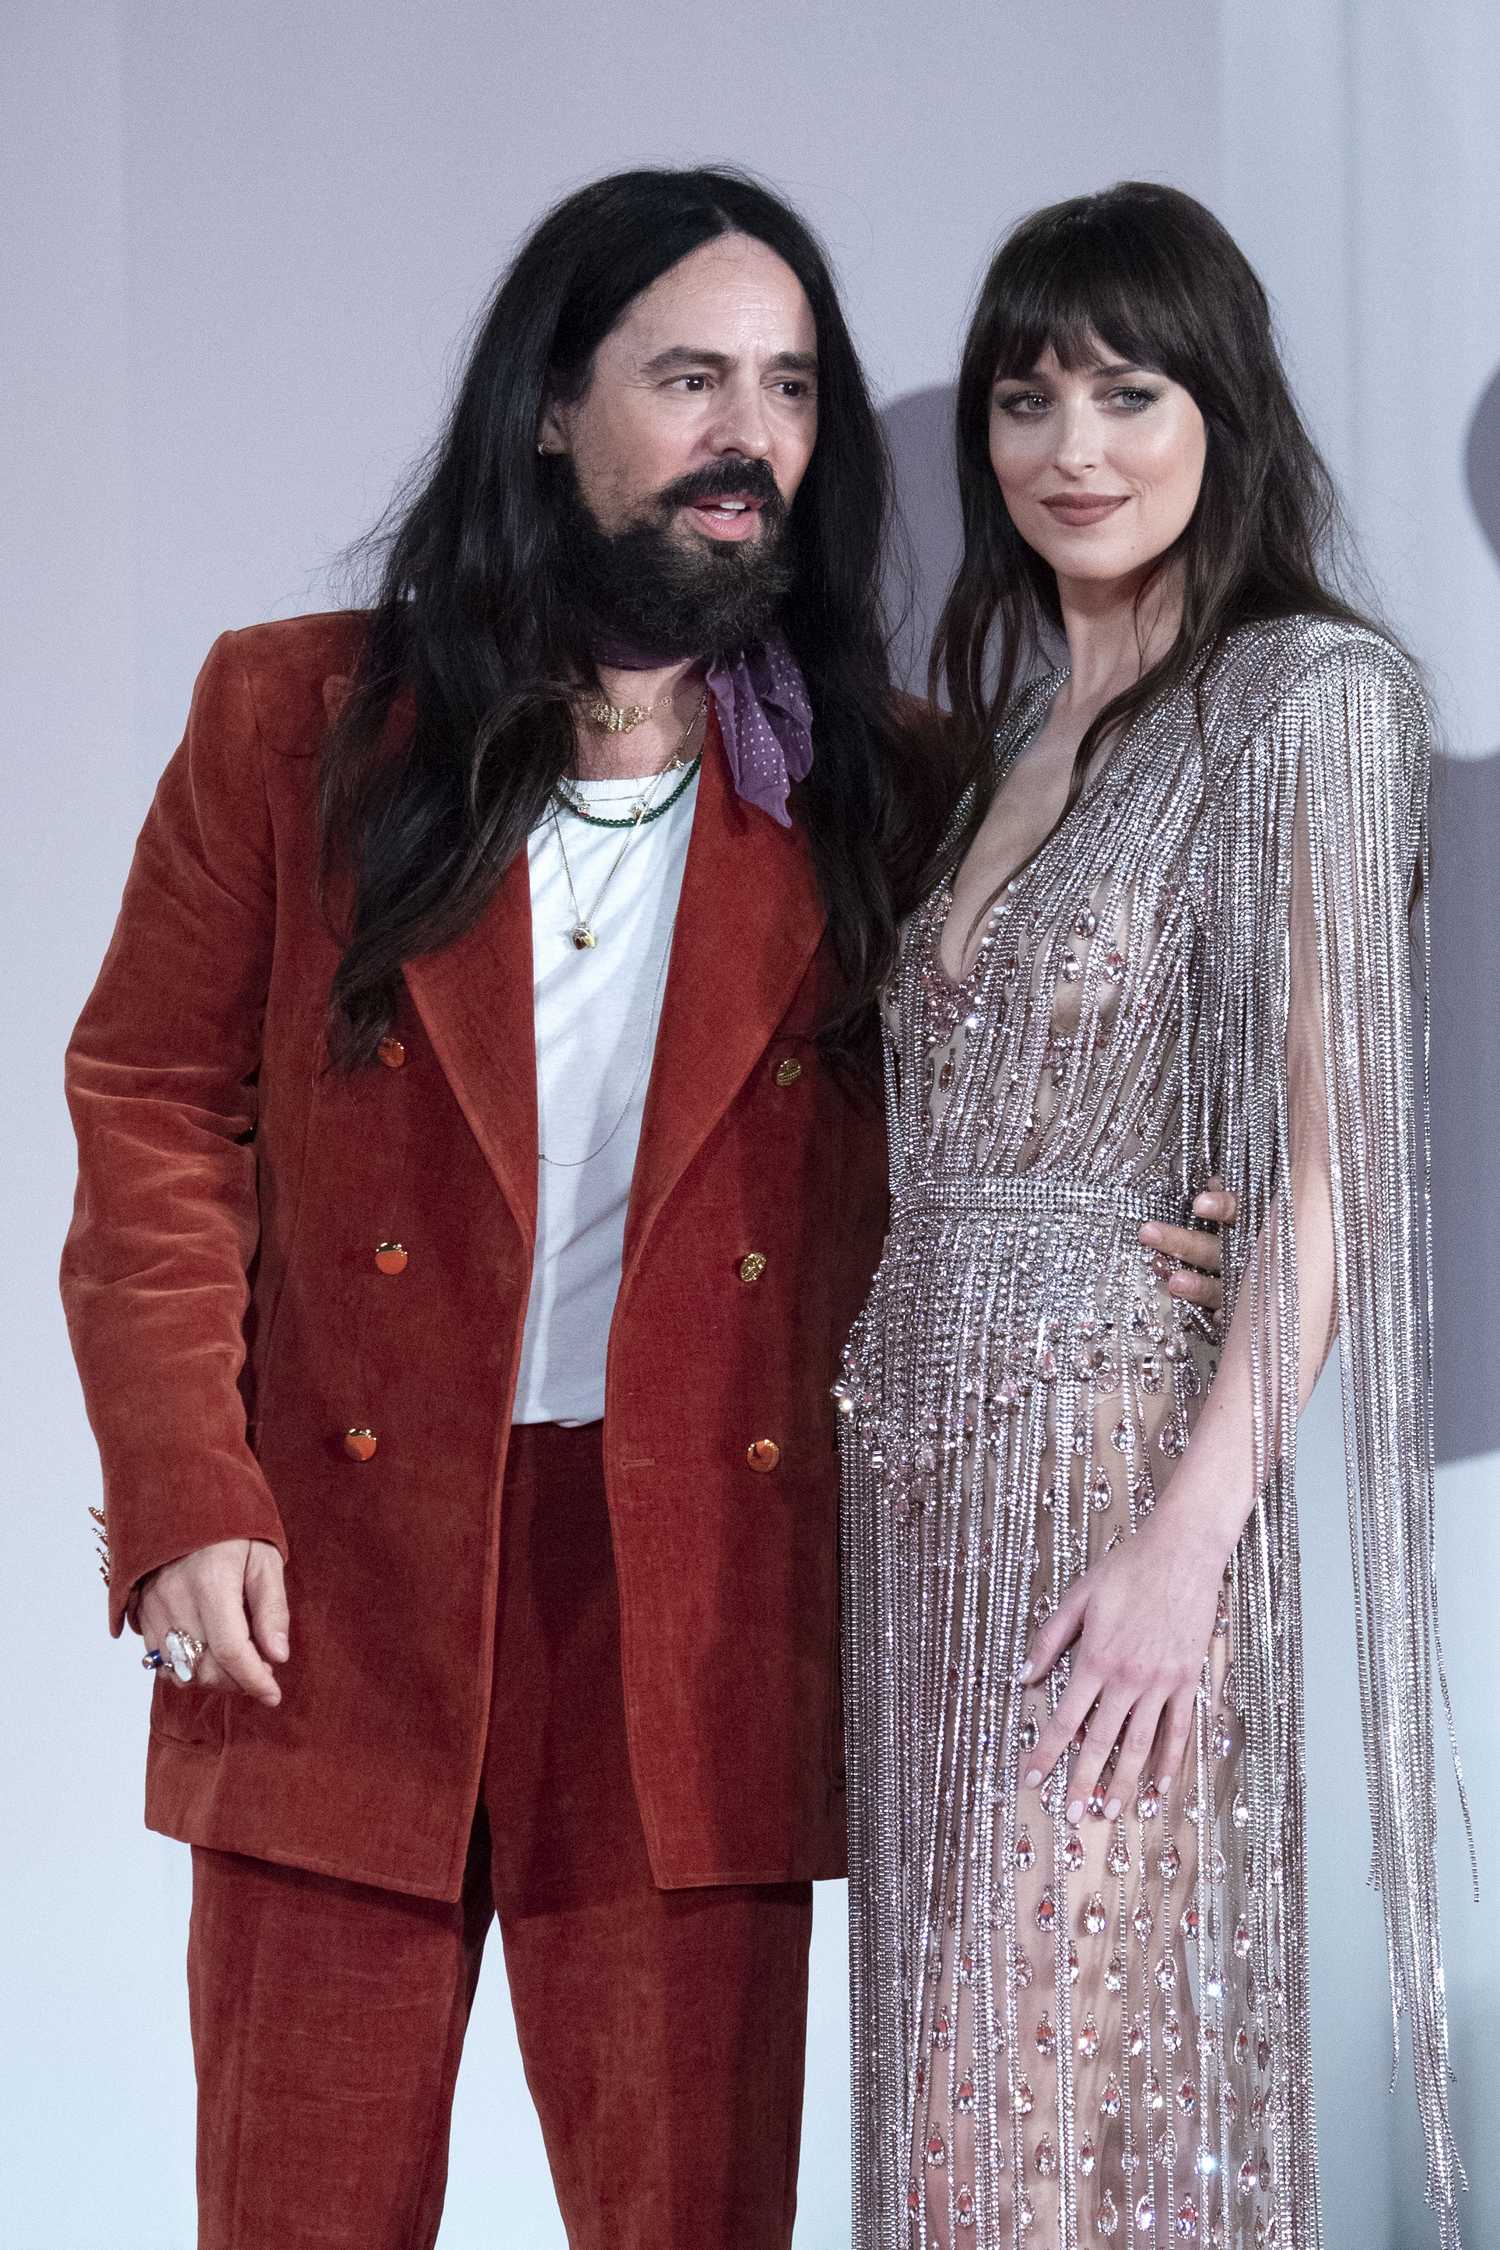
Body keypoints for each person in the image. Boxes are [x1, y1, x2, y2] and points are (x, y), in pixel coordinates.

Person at [60, 165, 1228, 2249]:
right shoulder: (297, 715)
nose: (750, 439)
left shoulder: (896, 785)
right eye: (692, 377)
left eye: (787, 388)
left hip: (698, 1601)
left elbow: (1027, 1104)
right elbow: (152, 1098)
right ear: (550, 407)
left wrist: (1155, 1223)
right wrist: (181, 1479)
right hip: (338, 1586)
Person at [838, 182, 1470, 2250]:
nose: (1073, 447)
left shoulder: (1312, 701)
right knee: (975, 2138)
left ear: (1228, 409)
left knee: (1018, 2135)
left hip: (1118, 1502)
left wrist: (1193, 1540)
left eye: (1130, 387)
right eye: (1027, 398)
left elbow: (1330, 1157)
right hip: (919, 1522)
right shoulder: (1007, 745)